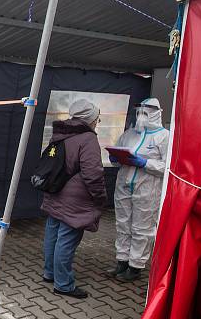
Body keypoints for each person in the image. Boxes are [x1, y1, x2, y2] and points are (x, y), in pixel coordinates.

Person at [41, 99, 108, 299]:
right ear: (90, 119)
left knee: (52, 233)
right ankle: (63, 284)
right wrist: (100, 197)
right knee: (67, 239)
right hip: (76, 198)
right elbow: (93, 174)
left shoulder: (60, 132)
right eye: (97, 118)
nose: (98, 121)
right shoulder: (87, 138)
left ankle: (49, 273)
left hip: (55, 190)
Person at [108, 98, 170, 282]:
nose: (142, 115)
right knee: (123, 224)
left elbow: (168, 166)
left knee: (142, 228)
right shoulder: (129, 134)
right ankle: (122, 261)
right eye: (140, 111)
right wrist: (115, 158)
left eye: (147, 111)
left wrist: (146, 163)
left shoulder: (164, 136)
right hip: (124, 184)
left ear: (157, 112)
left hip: (148, 187)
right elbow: (117, 150)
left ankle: (135, 266)